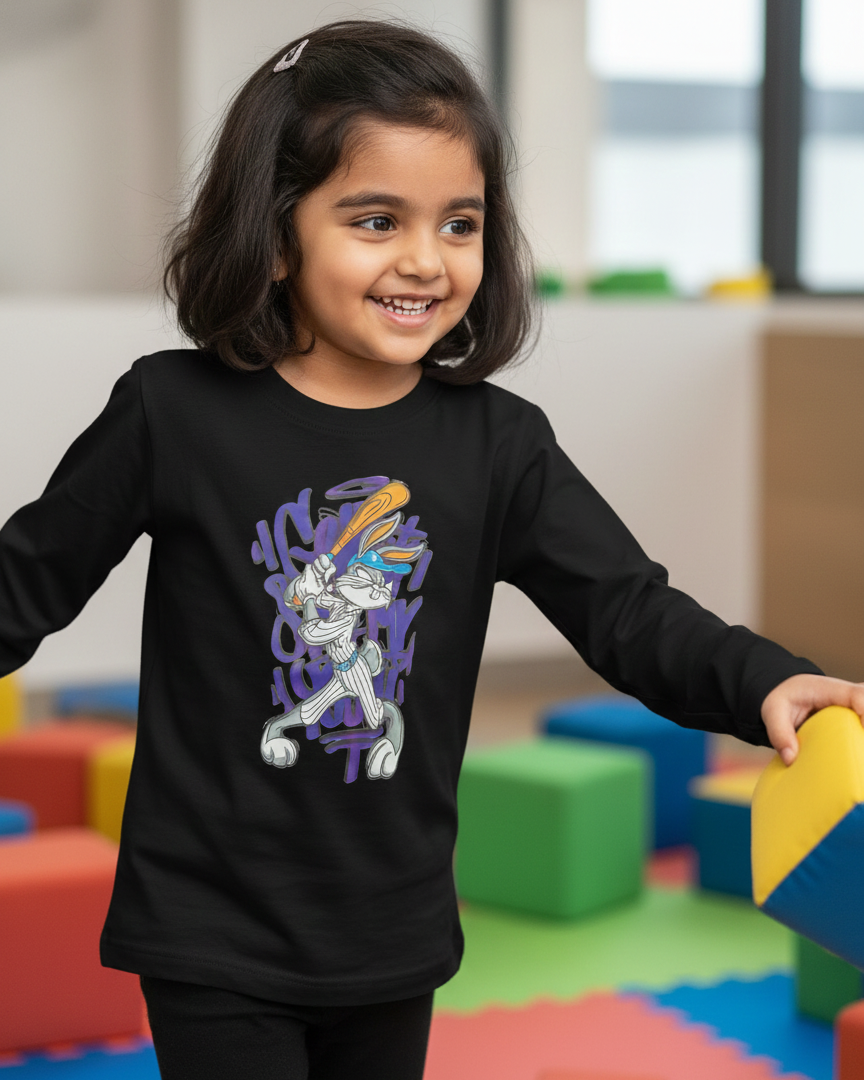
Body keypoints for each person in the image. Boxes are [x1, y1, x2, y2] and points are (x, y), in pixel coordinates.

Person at [0, 18, 862, 1080]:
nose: (424, 259)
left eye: (460, 223)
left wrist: (764, 679)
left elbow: (626, 608)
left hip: (391, 925)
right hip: (209, 923)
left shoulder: (498, 444)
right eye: (376, 220)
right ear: (277, 235)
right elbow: (25, 582)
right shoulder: (171, 413)